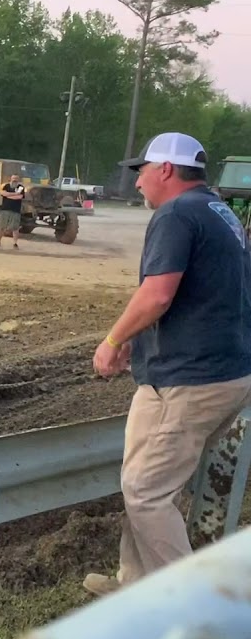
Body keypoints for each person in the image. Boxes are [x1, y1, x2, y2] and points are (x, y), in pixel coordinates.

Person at [84, 132, 251, 597]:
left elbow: (158, 294)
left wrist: (114, 338)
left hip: (187, 379)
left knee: (145, 492)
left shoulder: (176, 214)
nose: (137, 183)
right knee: (152, 482)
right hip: (230, 373)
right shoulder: (219, 211)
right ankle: (133, 586)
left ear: (165, 170)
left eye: (141, 172)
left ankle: (188, 607)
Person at [0, 173, 25, 248]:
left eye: (16, 178)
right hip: (5, 209)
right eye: (13, 178)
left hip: (16, 210)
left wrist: (8, 195)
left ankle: (15, 243)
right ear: (10, 179)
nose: (14, 180)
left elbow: (19, 197)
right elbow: (2, 193)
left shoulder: (21, 187)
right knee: (1, 226)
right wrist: (15, 194)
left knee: (15, 228)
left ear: (18, 179)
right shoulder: (5, 186)